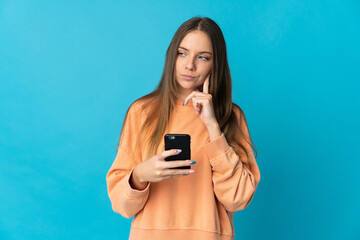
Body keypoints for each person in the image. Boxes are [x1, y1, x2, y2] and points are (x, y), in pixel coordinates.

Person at [106, 16, 261, 240]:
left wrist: (212, 126)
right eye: (182, 53)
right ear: (172, 56)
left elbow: (238, 198)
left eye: (203, 57)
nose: (190, 65)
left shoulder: (230, 116)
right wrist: (140, 175)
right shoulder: (142, 112)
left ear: (214, 64)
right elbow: (121, 204)